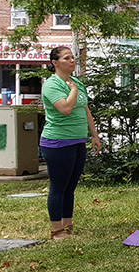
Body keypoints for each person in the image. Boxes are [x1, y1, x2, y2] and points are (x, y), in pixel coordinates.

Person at [40, 47, 101, 240]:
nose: (72, 61)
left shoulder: (77, 83)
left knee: (70, 186)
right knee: (58, 186)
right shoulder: (52, 85)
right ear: (55, 63)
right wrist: (72, 90)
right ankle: (56, 230)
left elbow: (86, 110)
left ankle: (68, 225)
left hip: (77, 141)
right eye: (67, 58)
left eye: (73, 57)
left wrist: (94, 134)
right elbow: (65, 108)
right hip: (58, 142)